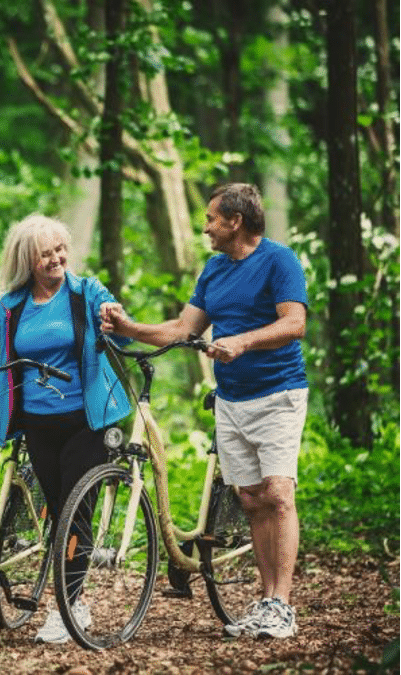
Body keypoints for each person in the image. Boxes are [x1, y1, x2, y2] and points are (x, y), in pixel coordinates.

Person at [0, 213, 133, 645]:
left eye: (60, 249)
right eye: (45, 253)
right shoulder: (11, 308)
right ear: (27, 261)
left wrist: (116, 320)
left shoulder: (87, 293)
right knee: (56, 509)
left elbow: (121, 335)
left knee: (75, 510)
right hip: (37, 423)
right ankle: (70, 595)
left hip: (86, 420)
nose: (56, 258)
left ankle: (70, 607)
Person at [101, 183, 308, 640]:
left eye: (212, 219)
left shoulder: (279, 260)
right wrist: (128, 327)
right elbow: (181, 328)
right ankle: (266, 598)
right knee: (252, 499)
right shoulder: (214, 272)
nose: (206, 228)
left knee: (278, 493)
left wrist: (242, 339)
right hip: (232, 398)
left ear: (235, 220)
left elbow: (295, 322)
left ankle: (282, 604)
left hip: (279, 393)